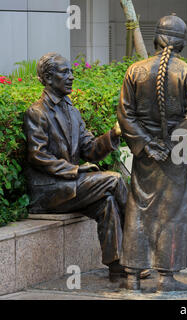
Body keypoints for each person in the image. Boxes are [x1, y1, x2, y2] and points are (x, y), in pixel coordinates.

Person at [24, 53, 131, 281]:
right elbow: (37, 155)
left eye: (71, 72)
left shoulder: (72, 110)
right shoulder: (37, 112)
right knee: (114, 180)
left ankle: (118, 266)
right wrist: (74, 170)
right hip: (50, 191)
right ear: (49, 78)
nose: (71, 77)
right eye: (65, 72)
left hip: (70, 187)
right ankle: (142, 242)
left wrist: (114, 134)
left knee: (108, 202)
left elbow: (89, 149)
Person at [118, 14, 187, 292]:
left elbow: (125, 114)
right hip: (174, 156)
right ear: (182, 43)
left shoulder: (135, 71)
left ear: (156, 39)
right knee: (172, 213)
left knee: (138, 210)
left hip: (145, 157)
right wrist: (169, 145)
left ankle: (132, 277)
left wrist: (145, 143)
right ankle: (165, 279)